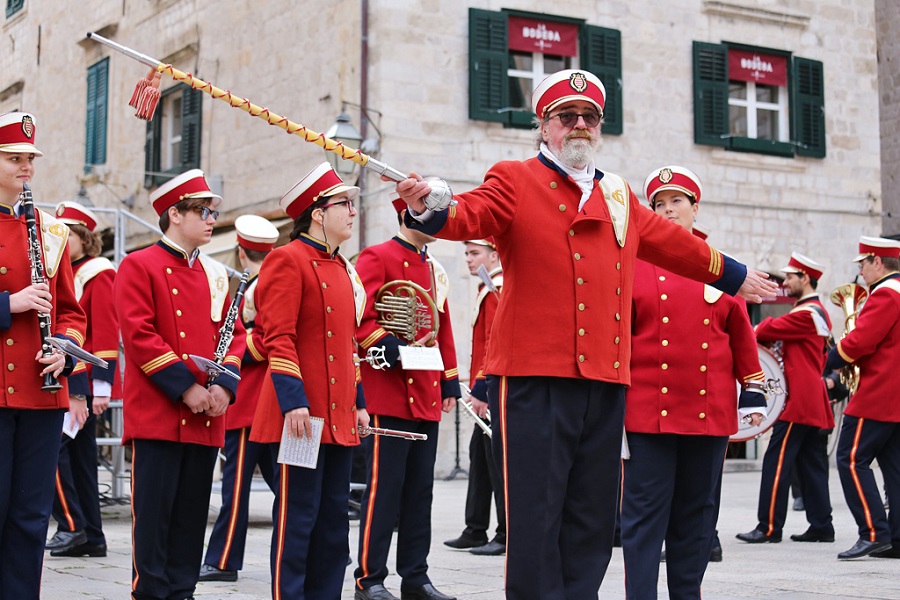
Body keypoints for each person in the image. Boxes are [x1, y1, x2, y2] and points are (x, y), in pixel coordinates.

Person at [391, 69, 777, 599]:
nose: (578, 125)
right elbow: (466, 214)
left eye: (588, 117)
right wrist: (425, 204)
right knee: (535, 515)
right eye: (564, 116)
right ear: (542, 125)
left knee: (594, 517)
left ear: (599, 127)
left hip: (605, 377)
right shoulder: (514, 176)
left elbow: (669, 241)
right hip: (533, 377)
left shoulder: (617, 192)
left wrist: (731, 273)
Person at [621, 166, 766, 600]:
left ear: (694, 208)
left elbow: (741, 335)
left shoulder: (720, 267)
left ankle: (688, 594)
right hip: (649, 415)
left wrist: (752, 388)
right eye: (658, 206)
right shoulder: (634, 265)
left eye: (676, 203)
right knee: (643, 518)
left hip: (709, 416)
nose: (667, 212)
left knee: (697, 516)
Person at [115, 169, 244, 600]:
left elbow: (236, 334)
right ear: (174, 214)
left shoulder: (215, 274)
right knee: (153, 519)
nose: (211, 219)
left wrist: (224, 387)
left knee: (191, 518)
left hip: (207, 415)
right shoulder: (138, 264)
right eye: (203, 211)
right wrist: (186, 387)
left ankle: (183, 591)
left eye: (212, 212)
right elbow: (138, 334)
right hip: (159, 413)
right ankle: (151, 593)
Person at [249, 162, 371, 599]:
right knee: (298, 519)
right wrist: (293, 401)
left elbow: (348, 346)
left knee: (334, 522)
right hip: (300, 416)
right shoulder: (286, 259)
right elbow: (276, 336)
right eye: (344, 204)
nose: (353, 213)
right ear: (318, 213)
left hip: (338, 416)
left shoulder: (341, 268)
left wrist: (358, 401)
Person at [353, 199, 461, 600]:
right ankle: (369, 578)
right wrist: (389, 344)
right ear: (405, 215)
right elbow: (359, 316)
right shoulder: (376, 256)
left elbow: (441, 325)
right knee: (384, 490)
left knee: (420, 492)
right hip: (390, 392)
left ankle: (416, 577)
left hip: (426, 393)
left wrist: (449, 382)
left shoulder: (435, 268)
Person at [0, 111, 87, 599]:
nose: (25, 167)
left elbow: (73, 312)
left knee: (31, 519)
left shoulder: (51, 231)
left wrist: (66, 350)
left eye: (29, 159)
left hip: (41, 392)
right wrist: (8, 305)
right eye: (14, 158)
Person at [199, 214, 281, 583]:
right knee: (286, 484)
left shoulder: (262, 286)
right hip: (270, 397)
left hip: (252, 397)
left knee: (235, 486)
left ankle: (222, 559)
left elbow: (264, 340)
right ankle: (321, 547)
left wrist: (229, 347)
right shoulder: (264, 282)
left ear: (241, 252)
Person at [736, 252, 836, 545]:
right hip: (811, 400)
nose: (785, 282)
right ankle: (821, 525)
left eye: (790, 277)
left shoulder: (806, 313)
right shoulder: (813, 311)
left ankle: (768, 527)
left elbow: (766, 329)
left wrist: (747, 330)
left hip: (798, 401)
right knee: (811, 464)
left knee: (776, 463)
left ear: (805, 279)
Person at [45, 201, 121, 559]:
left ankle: (72, 526)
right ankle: (92, 535)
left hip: (82, 382)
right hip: (74, 380)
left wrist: (99, 388)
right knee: (79, 460)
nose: (61, 238)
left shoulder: (98, 272)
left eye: (69, 233)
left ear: (84, 238)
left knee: (52, 450)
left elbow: (105, 330)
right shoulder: (71, 270)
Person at [826, 235, 900, 560]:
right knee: (895, 469)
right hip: (893, 395)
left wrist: (831, 357)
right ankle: (896, 538)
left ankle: (873, 532)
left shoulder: (886, 294)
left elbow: (860, 343)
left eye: (863, 264)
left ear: (878, 262)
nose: (861, 271)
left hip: (878, 393)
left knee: (851, 459)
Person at [444, 239, 506, 557]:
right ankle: (475, 528)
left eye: (475, 253)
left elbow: (493, 342)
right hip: (485, 389)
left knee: (497, 464)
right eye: (467, 254)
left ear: (494, 255)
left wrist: (483, 389)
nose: (468, 260)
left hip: (491, 390)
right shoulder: (488, 286)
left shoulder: (497, 287)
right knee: (479, 459)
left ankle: (506, 532)